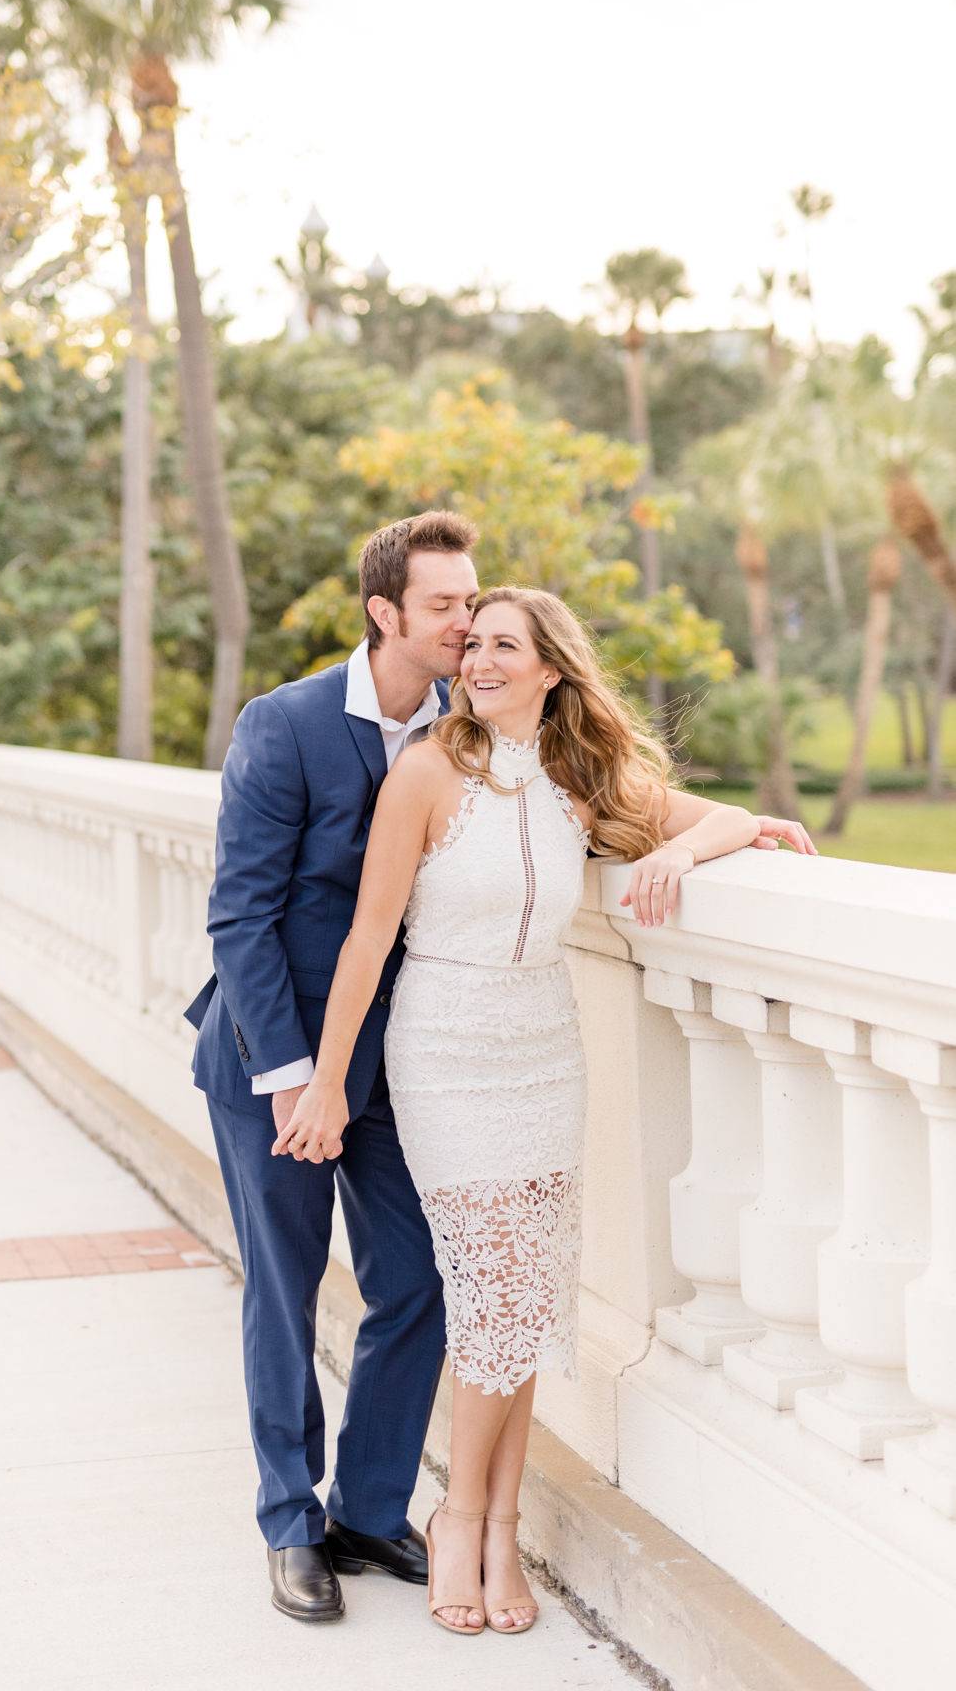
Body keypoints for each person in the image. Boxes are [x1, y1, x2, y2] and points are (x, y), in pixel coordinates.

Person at [274, 586, 816, 1635]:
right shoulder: (427, 770)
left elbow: (735, 820)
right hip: (444, 1052)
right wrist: (330, 1077)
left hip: (544, 1052)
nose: (474, 659)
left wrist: (670, 850)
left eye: (500, 646)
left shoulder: (578, 773)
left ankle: (494, 1522)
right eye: (468, 643)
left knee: (522, 1299)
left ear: (549, 670)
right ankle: (456, 1514)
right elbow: (366, 936)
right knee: (490, 1295)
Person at [187, 511, 480, 1623]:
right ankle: (288, 1522)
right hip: (275, 1063)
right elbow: (241, 917)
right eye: (444, 604)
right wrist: (292, 1077)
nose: (465, 621)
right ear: (385, 611)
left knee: (415, 1279)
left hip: (401, 1067)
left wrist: (720, 825)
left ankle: (367, 1506)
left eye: (470, 600)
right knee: (284, 1286)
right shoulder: (287, 723)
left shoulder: (474, 727)